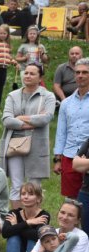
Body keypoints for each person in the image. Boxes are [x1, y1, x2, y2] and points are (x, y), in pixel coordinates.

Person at [0, 62, 55, 209]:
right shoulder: (13, 95)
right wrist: (32, 121)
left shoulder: (48, 96)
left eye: (32, 73)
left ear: (40, 77)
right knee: (16, 184)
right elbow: (6, 120)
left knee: (34, 185)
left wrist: (20, 118)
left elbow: (46, 118)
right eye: (26, 72)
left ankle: (34, 220)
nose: (27, 76)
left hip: (37, 144)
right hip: (14, 144)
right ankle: (17, 219)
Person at [55, 57, 89, 199]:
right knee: (70, 201)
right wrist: (57, 159)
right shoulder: (66, 103)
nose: (80, 75)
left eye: (85, 72)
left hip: (87, 157)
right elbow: (61, 132)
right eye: (77, 72)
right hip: (69, 156)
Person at [1, 182, 50, 252]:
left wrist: (16, 226)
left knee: (32, 240)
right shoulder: (14, 213)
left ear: (38, 198)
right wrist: (28, 222)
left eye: (30, 194)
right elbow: (5, 233)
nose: (26, 197)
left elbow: (37, 236)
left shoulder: (43, 215)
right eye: (23, 194)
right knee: (13, 237)